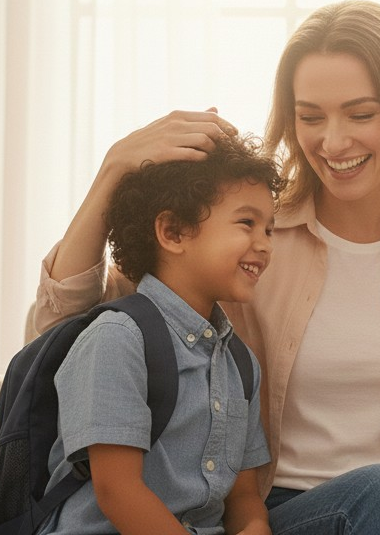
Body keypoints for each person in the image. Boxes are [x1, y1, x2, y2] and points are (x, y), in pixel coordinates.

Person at [29, 0, 380, 535]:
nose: (333, 142)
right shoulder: (239, 236)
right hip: (264, 512)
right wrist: (112, 171)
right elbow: (60, 343)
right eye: (310, 116)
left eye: (361, 114)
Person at [40, 134, 279, 534]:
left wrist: (255, 526)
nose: (265, 245)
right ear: (172, 232)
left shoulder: (241, 363)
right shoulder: (117, 338)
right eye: (246, 223)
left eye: (270, 230)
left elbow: (243, 497)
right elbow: (118, 491)